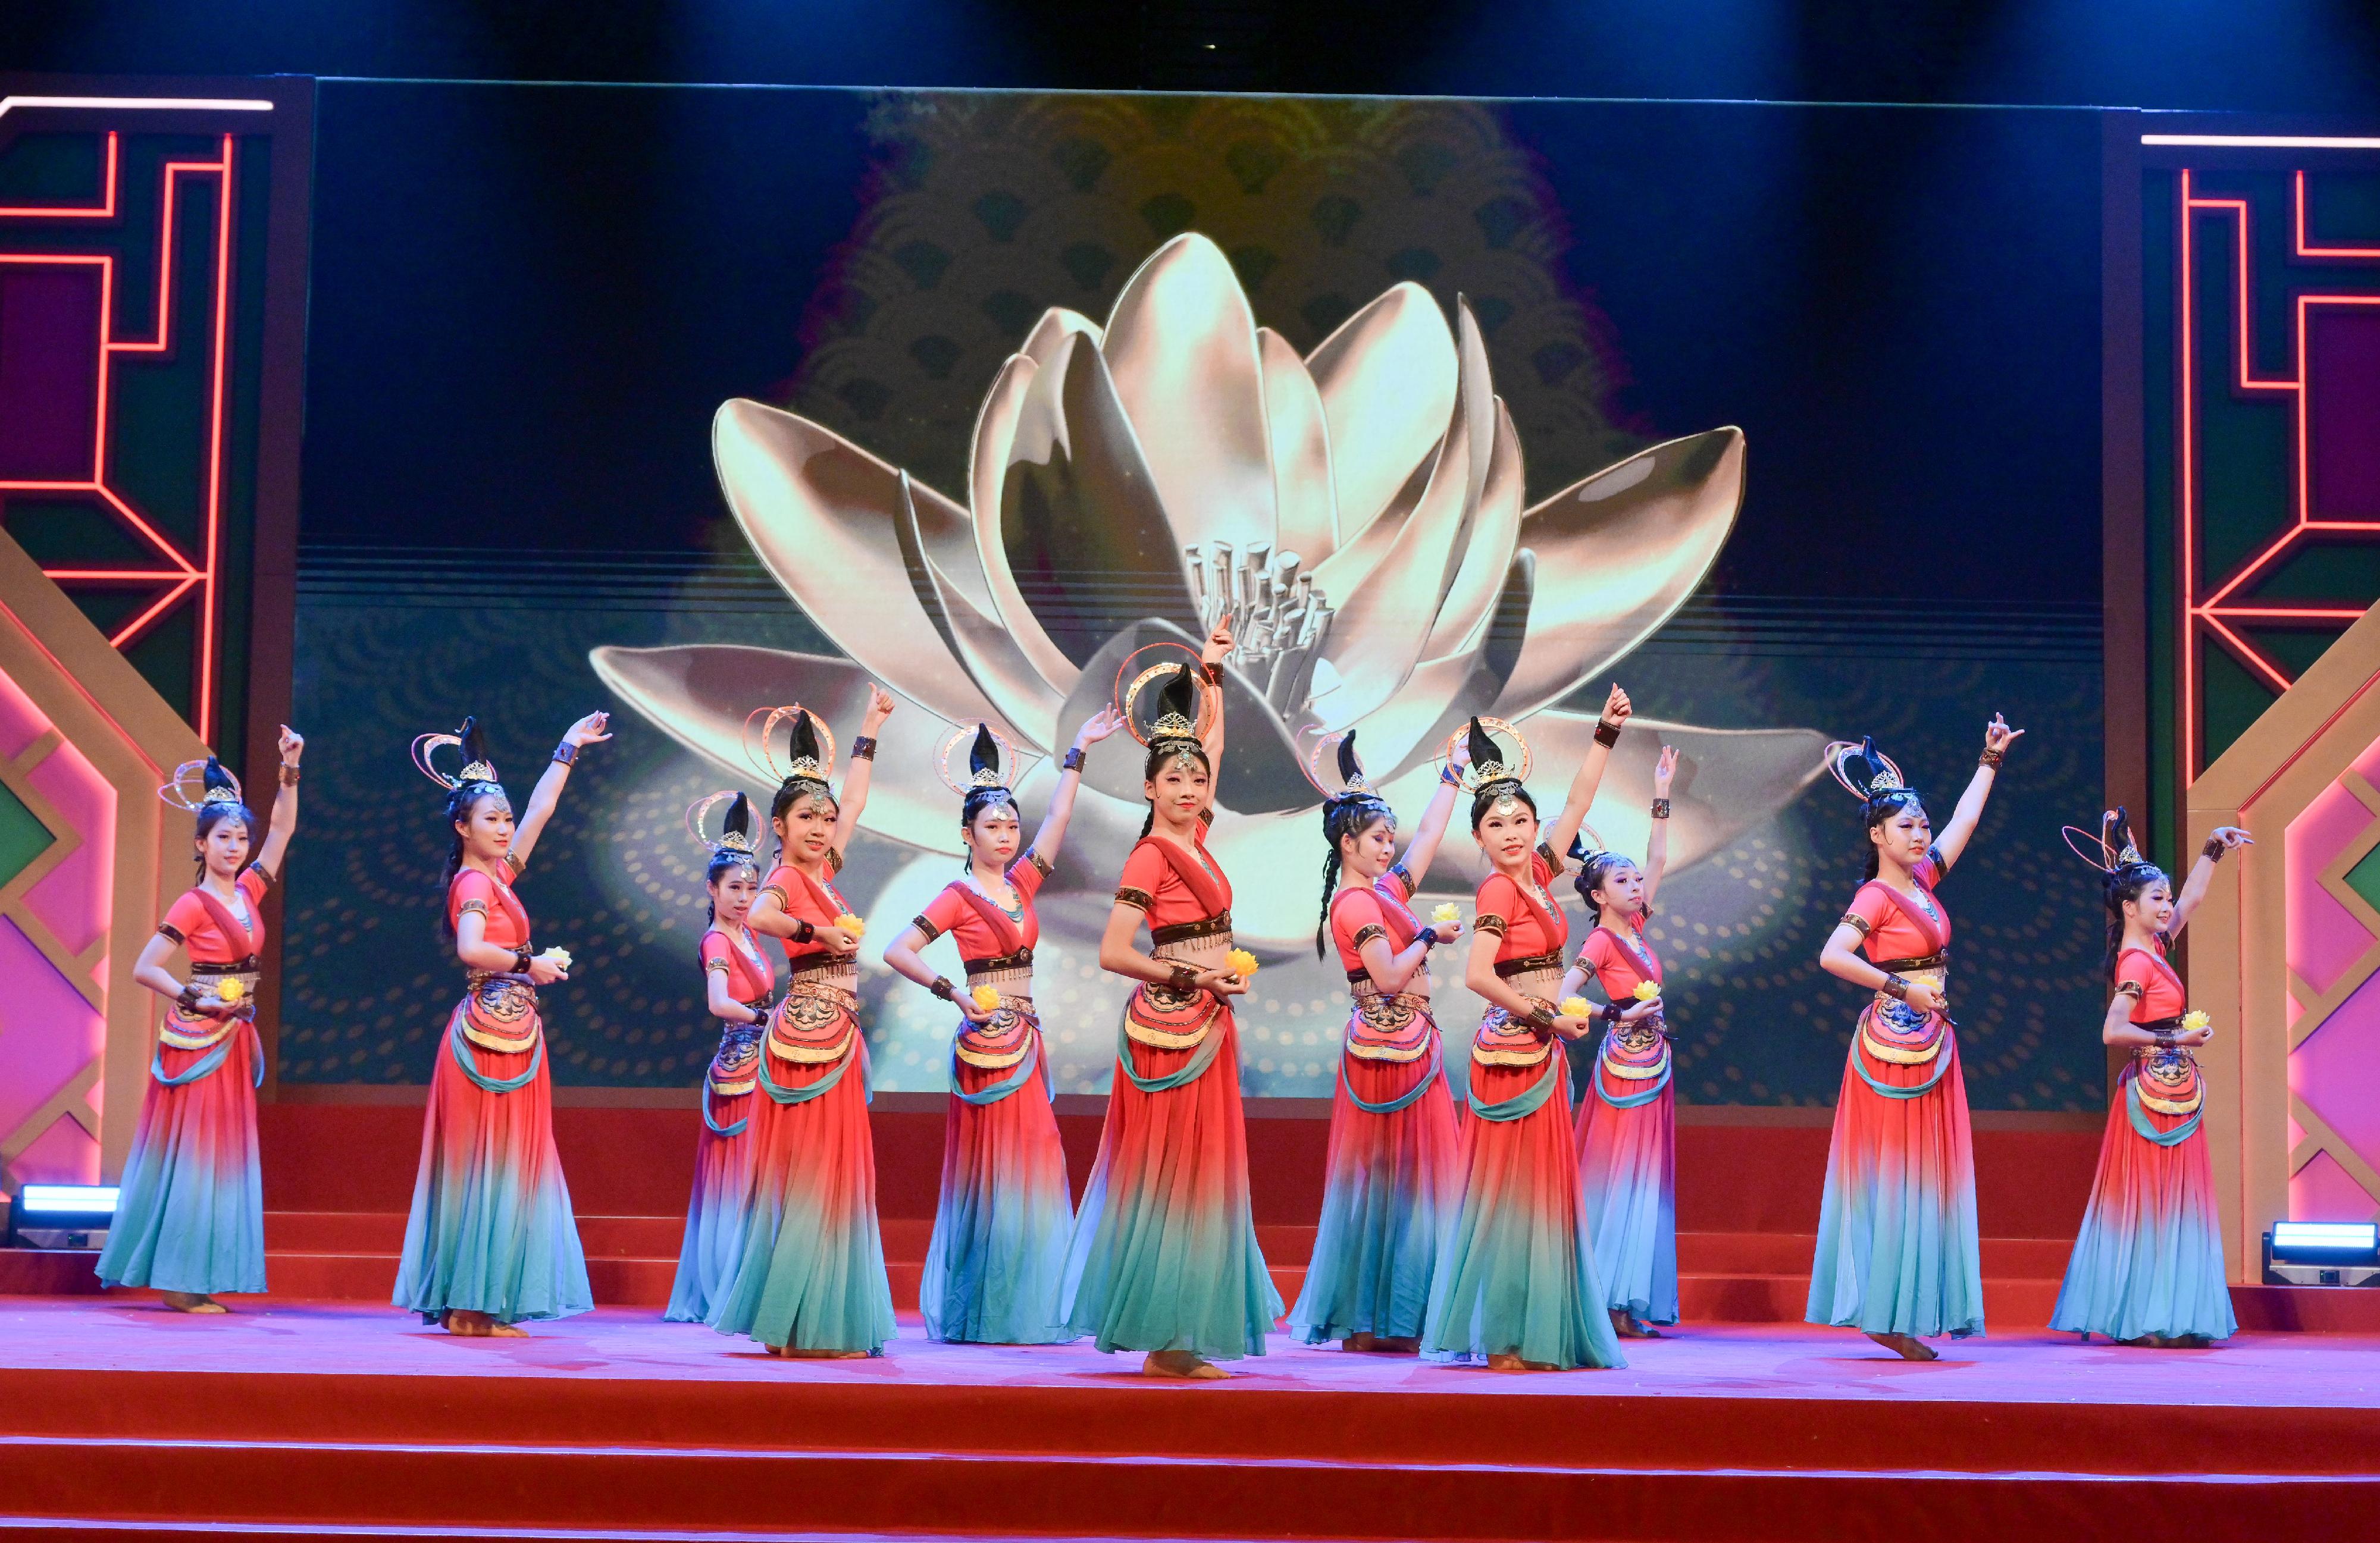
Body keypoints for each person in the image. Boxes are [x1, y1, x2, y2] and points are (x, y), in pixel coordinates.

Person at [1060, 628, 1281, 1379]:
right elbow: (1114, 950)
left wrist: (1212, 667)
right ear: (1148, 788)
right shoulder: (1151, 854)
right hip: (1173, 1024)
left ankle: (1180, 1331)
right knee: (1174, 1173)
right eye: (1174, 778)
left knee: (1205, 1171)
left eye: (1196, 778)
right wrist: (1191, 978)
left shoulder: (1198, 836)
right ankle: (1164, 1337)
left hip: (1210, 1020)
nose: (1190, 786)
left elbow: (1214, 741)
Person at [881, 709, 1124, 1343]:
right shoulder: (958, 896)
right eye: (993, 825)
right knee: (992, 1170)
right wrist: (956, 995)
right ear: (968, 832)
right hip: (987, 1041)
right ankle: (984, 1310)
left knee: (1035, 1163)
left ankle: (1026, 1304)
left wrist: (1077, 753)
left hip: (1026, 1036)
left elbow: (1059, 823)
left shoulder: (1022, 883)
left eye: (1012, 823)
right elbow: (897, 950)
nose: (1007, 834)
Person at [1422, 697, 1638, 1372]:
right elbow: (1478, 977)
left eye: (1520, 820)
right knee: (1511, 1195)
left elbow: (1578, 798)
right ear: (1479, 837)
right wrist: (1549, 1015)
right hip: (1514, 1052)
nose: (1512, 832)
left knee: (1543, 1191)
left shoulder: (1542, 876)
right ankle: (1508, 1337)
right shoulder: (1497, 892)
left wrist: (1605, 731)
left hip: (1542, 1050)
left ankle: (1534, 1329)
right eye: (1497, 824)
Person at [393, 711, 612, 1336]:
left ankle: (479, 1302)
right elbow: (469, 947)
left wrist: (566, 748)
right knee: (486, 1164)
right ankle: (470, 1303)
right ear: (462, 826)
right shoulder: (472, 881)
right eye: (492, 818)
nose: (506, 826)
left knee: (508, 1164)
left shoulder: (500, 876)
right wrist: (528, 961)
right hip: (485, 1036)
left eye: (506, 818)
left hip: (513, 1033)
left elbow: (541, 810)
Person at [1808, 720, 2021, 1360]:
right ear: (1877, 834)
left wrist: (1988, 758)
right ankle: (1883, 1310)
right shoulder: (1875, 894)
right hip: (1895, 1043)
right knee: (1897, 1173)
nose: (1921, 833)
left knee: (1925, 1173)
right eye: (1907, 826)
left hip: (1929, 1037)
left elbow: (1964, 819)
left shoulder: (1923, 880)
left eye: (1922, 825)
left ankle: (1902, 1307)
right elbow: (1832, 955)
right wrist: (1903, 992)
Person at [709, 691, 900, 1357]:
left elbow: (859, 803)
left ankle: (799, 1322)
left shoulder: (826, 867)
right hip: (810, 1028)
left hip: (834, 1028)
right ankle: (802, 1325)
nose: (820, 827)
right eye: (805, 818)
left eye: (825, 817)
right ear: (779, 826)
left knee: (829, 1173)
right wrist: (816, 931)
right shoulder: (788, 875)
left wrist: (869, 730)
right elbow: (760, 915)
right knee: (815, 1171)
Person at [98, 732, 304, 1310]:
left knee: (220, 1157)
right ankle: (182, 1284)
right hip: (199, 1037)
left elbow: (283, 829)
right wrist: (198, 997)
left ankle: (193, 1277)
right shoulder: (193, 903)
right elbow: (145, 967)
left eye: (241, 836)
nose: (237, 845)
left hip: (234, 1034)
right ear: (201, 842)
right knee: (195, 1157)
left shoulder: (249, 891)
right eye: (224, 837)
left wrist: (289, 767)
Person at [1286, 729, 1464, 1352]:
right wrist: (1430, 939)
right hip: (1384, 1048)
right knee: (1388, 1181)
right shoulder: (1355, 904)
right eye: (1378, 839)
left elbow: (1428, 843)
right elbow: (1388, 976)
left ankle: (1399, 1315)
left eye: (1391, 837)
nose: (1390, 849)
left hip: (1412, 1042)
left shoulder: (1385, 891)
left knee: (1411, 1184)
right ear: (1347, 843)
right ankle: (1371, 1317)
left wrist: (1452, 776)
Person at [2050, 808, 2248, 1348]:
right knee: (2151, 1204)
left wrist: (2212, 848)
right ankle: (2144, 1318)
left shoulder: (2156, 944)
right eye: (2156, 899)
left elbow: (2193, 901)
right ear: (2128, 907)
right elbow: (2113, 1032)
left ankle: (2166, 1314)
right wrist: (2174, 1041)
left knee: (2174, 1204)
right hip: (2150, 1091)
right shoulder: (2135, 962)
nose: (2167, 906)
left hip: (2174, 1090)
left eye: (2165, 897)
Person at [1559, 743, 1681, 1340]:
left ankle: (1629, 1299)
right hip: (1625, 1067)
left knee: (1647, 1178)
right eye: (1623, 880)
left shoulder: (1634, 928)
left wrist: (1661, 794)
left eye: (1636, 879)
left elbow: (1660, 855)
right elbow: (1563, 993)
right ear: (1597, 895)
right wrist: (1616, 1010)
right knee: (1620, 1177)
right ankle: (1607, 1297)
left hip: (1653, 1063)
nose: (1636, 885)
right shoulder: (1602, 943)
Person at [664, 791, 774, 1324]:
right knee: (736, 1176)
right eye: (735, 888)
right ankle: (725, 1286)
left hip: (765, 1062)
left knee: (759, 1175)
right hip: (739, 1064)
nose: (745, 897)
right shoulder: (717, 941)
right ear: (712, 888)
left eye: (751, 889)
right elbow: (719, 1003)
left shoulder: (750, 933)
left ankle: (749, 1282)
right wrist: (765, 1020)